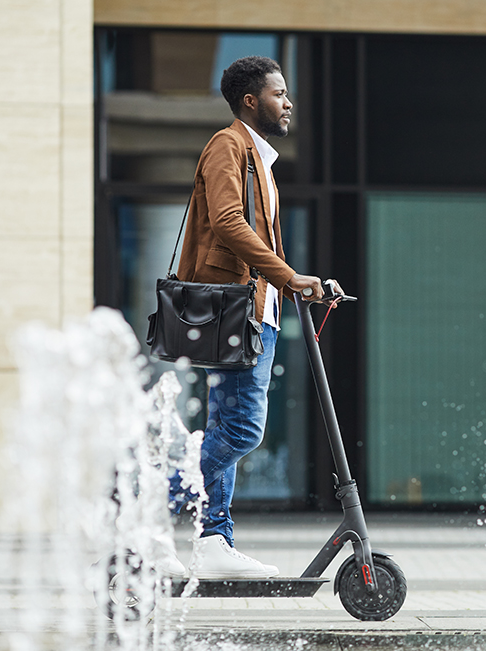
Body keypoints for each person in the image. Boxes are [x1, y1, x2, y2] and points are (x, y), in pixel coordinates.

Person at [163, 56, 343, 579]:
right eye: (279, 94)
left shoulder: (260, 161)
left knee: (225, 425)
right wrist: (289, 276)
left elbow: (260, 241)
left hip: (252, 309)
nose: (288, 103)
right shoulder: (229, 145)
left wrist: (298, 283)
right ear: (250, 100)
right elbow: (225, 222)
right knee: (242, 430)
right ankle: (147, 494)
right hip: (233, 309)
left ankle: (214, 539)